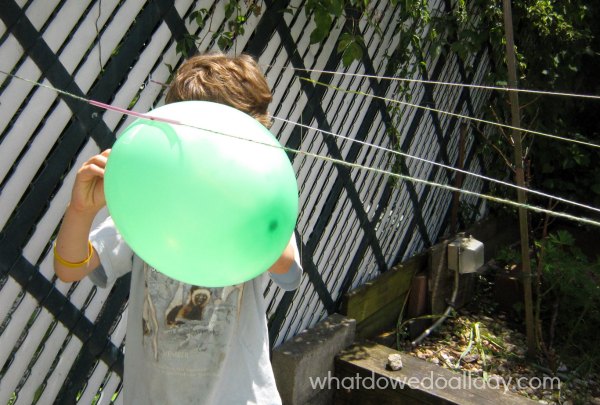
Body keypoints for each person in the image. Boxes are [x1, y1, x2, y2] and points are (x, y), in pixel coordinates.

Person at [53, 52, 303, 404]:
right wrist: (80, 210)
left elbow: (288, 270)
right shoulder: (149, 205)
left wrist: (238, 197)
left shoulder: (257, 206)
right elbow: (69, 267)